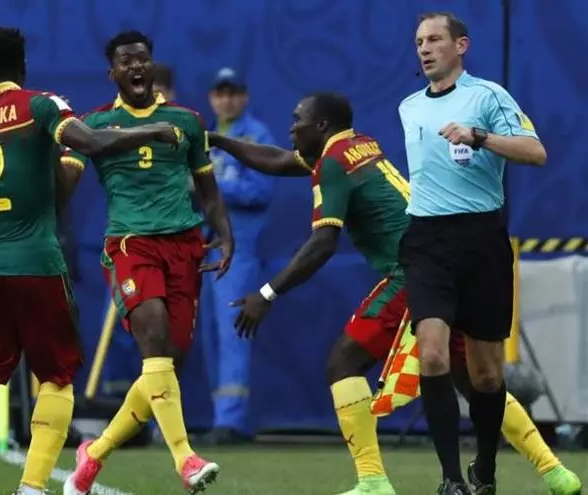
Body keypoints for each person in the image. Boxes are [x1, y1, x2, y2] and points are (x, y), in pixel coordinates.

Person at [209, 93, 580, 495]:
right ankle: (556, 473)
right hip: (440, 263)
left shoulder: (333, 162)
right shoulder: (357, 145)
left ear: (321, 126)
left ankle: (373, 481)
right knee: (475, 381)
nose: (291, 127)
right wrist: (220, 140)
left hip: (413, 271)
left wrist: (267, 293)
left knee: (344, 363)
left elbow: (323, 243)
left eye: (297, 119)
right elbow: (279, 160)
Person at [0, 26, 180, 495]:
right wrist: (152, 129)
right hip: (38, 264)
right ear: (22, 68)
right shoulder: (41, 105)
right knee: (57, 378)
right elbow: (92, 143)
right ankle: (33, 486)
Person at [62, 30, 233, 495]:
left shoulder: (186, 121)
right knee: (153, 338)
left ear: (152, 66)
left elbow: (208, 189)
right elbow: (65, 184)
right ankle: (185, 457)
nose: (136, 66)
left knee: (165, 364)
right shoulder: (94, 124)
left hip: (184, 245)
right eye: (126, 61)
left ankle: (93, 455)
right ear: (112, 73)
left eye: (142, 59)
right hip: (131, 244)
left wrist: (224, 232)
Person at [400, 12, 549, 494]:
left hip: (481, 238)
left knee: (485, 375)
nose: (425, 49)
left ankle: (484, 468)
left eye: (434, 39)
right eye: (419, 42)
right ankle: (449, 479)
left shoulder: (487, 96)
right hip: (426, 240)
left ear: (460, 45)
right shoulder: (408, 107)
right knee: (432, 354)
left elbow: (535, 152)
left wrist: (479, 136)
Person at [198, 67, 275, 445]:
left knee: (233, 331)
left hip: (239, 248)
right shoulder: (207, 137)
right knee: (211, 335)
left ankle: (232, 421)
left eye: (233, 93)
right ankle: (223, 418)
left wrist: (210, 184)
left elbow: (261, 191)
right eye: (220, 93)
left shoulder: (256, 135)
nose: (226, 100)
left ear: (244, 96)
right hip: (207, 246)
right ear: (212, 98)